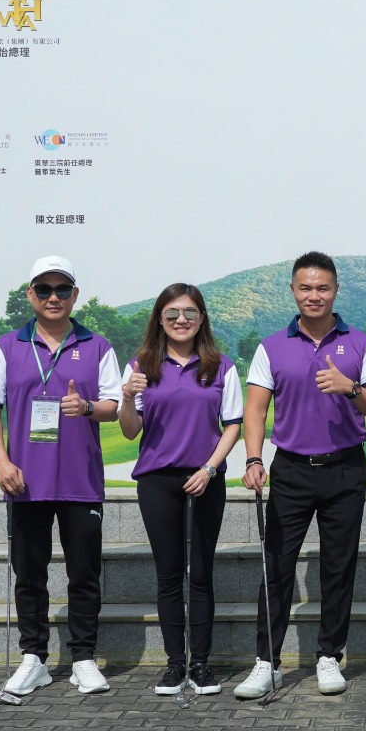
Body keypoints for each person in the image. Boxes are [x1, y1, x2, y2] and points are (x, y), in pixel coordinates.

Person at [233, 252, 366, 699]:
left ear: (335, 290)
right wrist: (253, 459)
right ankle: (267, 662)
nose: (314, 295)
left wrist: (350, 388)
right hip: (291, 470)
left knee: (338, 566)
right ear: (293, 290)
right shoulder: (271, 347)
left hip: (345, 467)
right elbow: (256, 409)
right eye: (305, 287)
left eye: (322, 287)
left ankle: (329, 656)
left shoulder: (361, 343)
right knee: (277, 567)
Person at [0, 256, 123, 695]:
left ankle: (83, 659)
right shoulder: (7, 346)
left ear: (75, 295)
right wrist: (1, 462)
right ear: (30, 295)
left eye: (62, 289)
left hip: (81, 481)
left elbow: (113, 407)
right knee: (29, 573)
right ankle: (34, 659)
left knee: (84, 574)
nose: (53, 297)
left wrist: (87, 407)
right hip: (25, 481)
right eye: (44, 289)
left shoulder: (97, 346)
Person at [119, 285, 242, 696]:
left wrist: (209, 468)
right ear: (160, 319)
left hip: (206, 478)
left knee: (201, 574)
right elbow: (129, 430)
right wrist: (127, 397)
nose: (181, 320)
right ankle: (175, 665)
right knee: (169, 574)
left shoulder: (220, 366)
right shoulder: (141, 366)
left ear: (202, 318)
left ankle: (201, 665)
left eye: (189, 312)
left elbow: (233, 425)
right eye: (171, 313)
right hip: (157, 481)